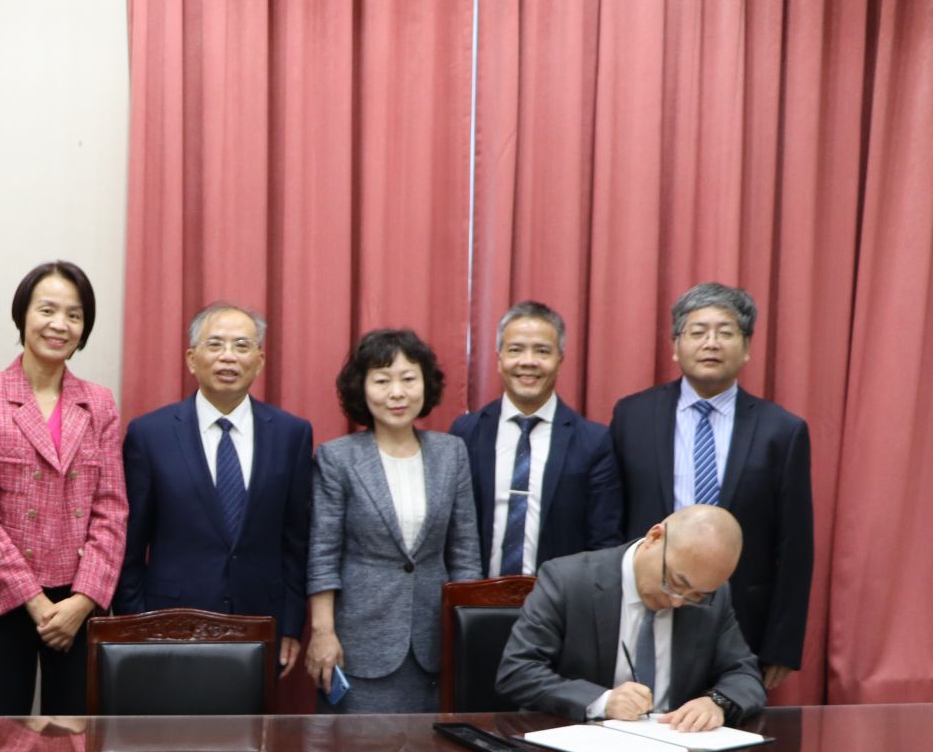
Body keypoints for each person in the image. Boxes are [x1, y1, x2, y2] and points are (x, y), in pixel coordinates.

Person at [609, 282, 813, 688]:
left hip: (740, 618)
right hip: (645, 605)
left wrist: (782, 645)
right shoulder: (633, 416)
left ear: (747, 347)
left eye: (725, 332)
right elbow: (612, 520)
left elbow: (795, 547)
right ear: (675, 345)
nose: (711, 343)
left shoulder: (781, 431)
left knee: (728, 721)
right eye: (698, 331)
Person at [0, 261, 127, 716]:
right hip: (3, 598)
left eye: (74, 315)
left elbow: (111, 510)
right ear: (22, 315)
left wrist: (82, 602)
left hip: (79, 598)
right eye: (47, 310)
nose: (59, 324)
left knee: (75, 738)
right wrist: (34, 602)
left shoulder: (99, 403)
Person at [115, 301, 314, 674]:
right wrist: (135, 624)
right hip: (168, 624)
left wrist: (290, 624)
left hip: (260, 621)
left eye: (242, 346)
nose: (228, 356)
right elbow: (129, 544)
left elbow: (296, 541)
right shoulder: (149, 435)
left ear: (259, 360)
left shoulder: (292, 434)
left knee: (252, 716)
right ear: (192, 359)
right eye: (216, 344)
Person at [305, 329, 481, 713]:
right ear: (362, 388)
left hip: (435, 641)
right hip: (359, 643)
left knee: (430, 748)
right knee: (357, 748)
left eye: (408, 379)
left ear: (425, 384)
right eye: (382, 381)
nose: (397, 393)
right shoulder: (338, 458)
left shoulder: (452, 453)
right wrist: (323, 632)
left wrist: (466, 631)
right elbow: (322, 553)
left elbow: (465, 553)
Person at [496, 503, 766, 731]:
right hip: (579, 744)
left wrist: (716, 702)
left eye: (696, 595)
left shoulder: (714, 597)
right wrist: (602, 701)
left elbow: (744, 674)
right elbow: (518, 672)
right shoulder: (568, 580)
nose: (677, 600)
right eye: (675, 582)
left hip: (674, 747)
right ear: (654, 537)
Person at [449, 300, 624, 575]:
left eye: (542, 351)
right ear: (499, 359)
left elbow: (604, 542)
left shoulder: (593, 442)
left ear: (560, 360)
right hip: (476, 594)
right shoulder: (466, 432)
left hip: (560, 597)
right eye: (515, 350)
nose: (528, 362)